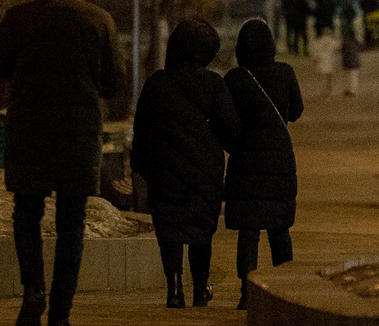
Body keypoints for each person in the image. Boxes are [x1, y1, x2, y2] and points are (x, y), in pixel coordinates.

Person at [0, 0, 122, 326]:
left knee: (26, 214)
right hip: (78, 134)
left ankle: (33, 290)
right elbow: (113, 83)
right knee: (71, 223)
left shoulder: (20, 18)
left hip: (29, 131)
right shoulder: (97, 20)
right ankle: (60, 319)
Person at [131, 18, 240, 307]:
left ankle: (174, 287)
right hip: (205, 174)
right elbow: (230, 129)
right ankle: (200, 288)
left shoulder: (157, 84)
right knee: (201, 232)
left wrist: (140, 166)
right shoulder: (214, 84)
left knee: (170, 230)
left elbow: (141, 129)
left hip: (164, 173)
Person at [222, 18, 303, 308]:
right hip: (279, 158)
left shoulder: (234, 79)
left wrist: (236, 143)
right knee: (279, 229)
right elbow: (297, 111)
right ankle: (284, 291)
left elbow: (225, 121)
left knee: (249, 231)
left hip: (245, 160)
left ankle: (246, 293)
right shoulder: (285, 73)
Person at [308, 19, 342, 94]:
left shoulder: (318, 41)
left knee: (322, 77)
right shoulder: (332, 40)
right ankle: (328, 89)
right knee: (329, 77)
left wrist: (315, 59)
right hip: (330, 60)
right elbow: (338, 48)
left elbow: (315, 51)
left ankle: (323, 90)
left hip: (321, 60)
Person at [340, 23, 363, 97]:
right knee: (354, 77)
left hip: (346, 61)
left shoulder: (345, 41)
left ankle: (347, 89)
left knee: (347, 77)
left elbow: (342, 50)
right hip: (355, 61)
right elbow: (362, 48)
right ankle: (353, 90)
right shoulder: (356, 41)